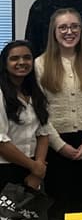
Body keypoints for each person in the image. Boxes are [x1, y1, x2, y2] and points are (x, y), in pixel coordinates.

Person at [35, 9, 82, 220]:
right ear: (54, 32)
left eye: (74, 26)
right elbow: (40, 111)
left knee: (80, 202)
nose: (69, 31)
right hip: (54, 143)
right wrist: (59, 145)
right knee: (58, 204)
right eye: (63, 27)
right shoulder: (40, 64)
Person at [0, 41, 51, 191]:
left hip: (32, 168)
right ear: (5, 63)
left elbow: (43, 132)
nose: (22, 62)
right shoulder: (1, 93)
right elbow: (1, 142)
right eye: (14, 58)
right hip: (5, 169)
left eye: (27, 57)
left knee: (32, 214)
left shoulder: (36, 92)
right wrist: (34, 167)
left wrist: (38, 169)